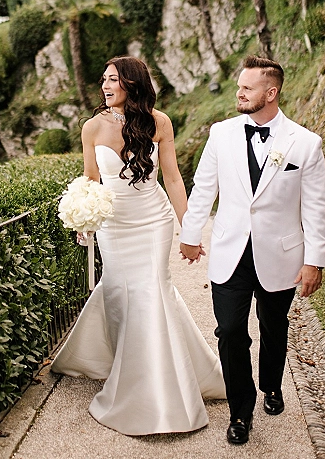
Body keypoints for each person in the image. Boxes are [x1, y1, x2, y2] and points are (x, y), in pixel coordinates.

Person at [52, 56, 225, 435]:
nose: (105, 85)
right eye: (103, 79)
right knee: (118, 291)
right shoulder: (91, 127)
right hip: (114, 226)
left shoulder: (159, 122)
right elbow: (91, 179)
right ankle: (127, 363)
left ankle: (157, 391)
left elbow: (175, 180)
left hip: (152, 222)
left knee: (150, 293)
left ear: (132, 83)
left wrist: (190, 230)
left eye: (113, 79)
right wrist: (86, 219)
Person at [180, 55, 325, 446]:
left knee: (274, 325)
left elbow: (315, 207)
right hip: (230, 251)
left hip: (280, 253)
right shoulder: (221, 133)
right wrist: (190, 234)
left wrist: (315, 260)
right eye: (239, 86)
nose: (239, 93)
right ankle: (240, 412)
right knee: (230, 332)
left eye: (246, 88)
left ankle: (272, 385)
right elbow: (204, 187)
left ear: (271, 92)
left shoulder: (306, 144)